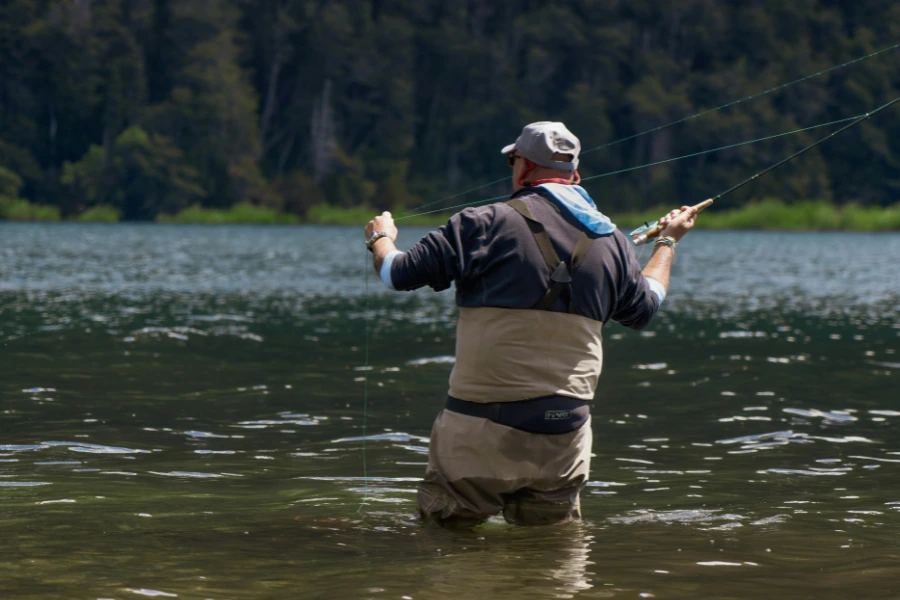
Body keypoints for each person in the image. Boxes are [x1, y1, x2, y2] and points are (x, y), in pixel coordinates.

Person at [364, 121, 697, 528]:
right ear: (574, 174)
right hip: (566, 439)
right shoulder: (614, 244)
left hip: (479, 431)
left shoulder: (482, 222)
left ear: (522, 167)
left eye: (512, 160)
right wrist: (668, 242)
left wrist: (380, 237)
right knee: (550, 561)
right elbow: (645, 307)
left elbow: (396, 273)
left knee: (446, 547)